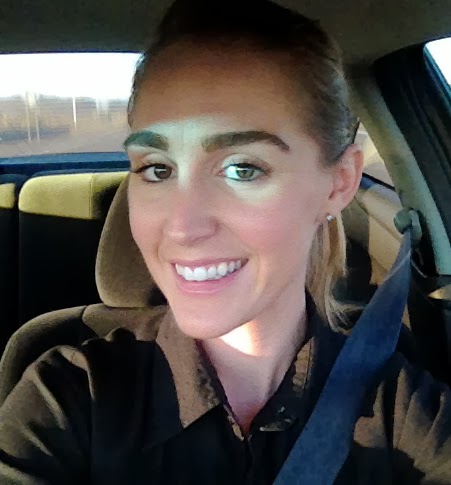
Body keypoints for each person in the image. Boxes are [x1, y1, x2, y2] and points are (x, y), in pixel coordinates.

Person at [1, 0, 451, 483]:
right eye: (157, 169)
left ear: (338, 184)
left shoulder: (404, 413)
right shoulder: (69, 396)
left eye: (243, 169)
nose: (182, 227)